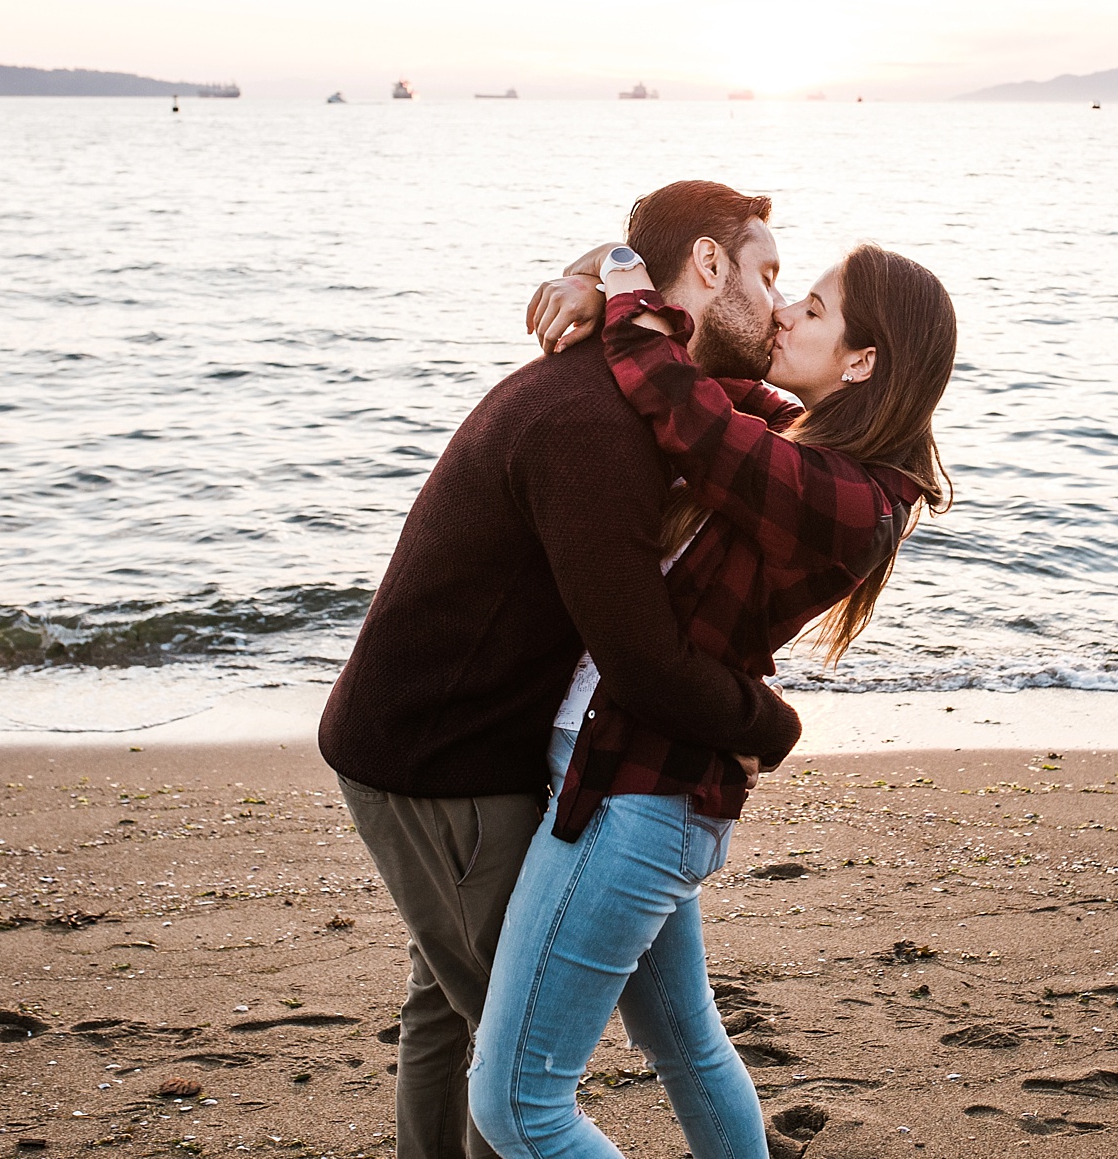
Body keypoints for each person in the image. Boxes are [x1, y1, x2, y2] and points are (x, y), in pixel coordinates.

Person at [318, 180, 802, 1159]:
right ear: (708, 266)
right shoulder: (596, 418)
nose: (782, 302)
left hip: (446, 737)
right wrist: (770, 726)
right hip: (435, 761)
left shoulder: (636, 381)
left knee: (447, 1004)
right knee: (515, 1064)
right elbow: (642, 662)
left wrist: (598, 270)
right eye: (767, 272)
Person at [468, 232, 957, 1159]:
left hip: (638, 799)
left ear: (862, 361)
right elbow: (692, 379)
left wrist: (620, 280)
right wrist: (592, 276)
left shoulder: (854, 498)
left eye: (811, 308)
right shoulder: (799, 438)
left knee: (519, 1107)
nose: (783, 313)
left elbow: (684, 411)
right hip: (647, 782)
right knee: (687, 1044)